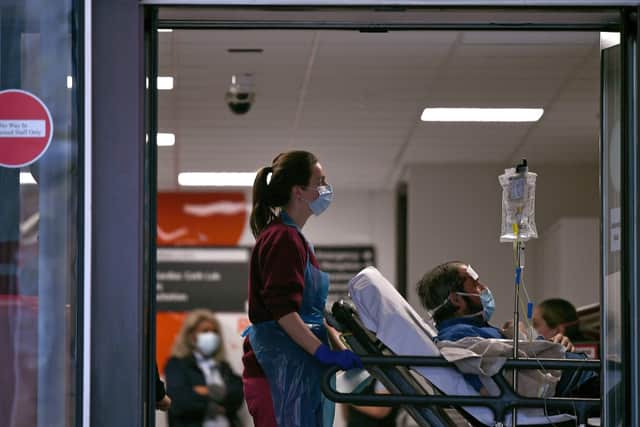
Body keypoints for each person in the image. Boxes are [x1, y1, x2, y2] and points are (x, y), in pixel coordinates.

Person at [242, 150, 362, 427]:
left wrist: (339, 347)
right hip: (279, 370)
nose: (326, 189)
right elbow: (284, 311)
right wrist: (323, 352)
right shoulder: (283, 239)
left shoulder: (293, 238)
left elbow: (309, 312)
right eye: (320, 181)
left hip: (293, 367)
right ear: (299, 191)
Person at [415, 260, 598, 398]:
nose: (484, 288)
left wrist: (551, 347)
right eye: (476, 285)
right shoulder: (456, 337)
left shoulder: (473, 329)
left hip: (576, 374)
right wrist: (524, 341)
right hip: (572, 384)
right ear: (456, 300)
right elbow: (488, 386)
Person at [165, 309, 243, 427]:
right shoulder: (177, 365)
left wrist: (205, 391)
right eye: (205, 331)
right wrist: (217, 400)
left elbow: (237, 394)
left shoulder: (223, 366)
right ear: (191, 335)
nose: (211, 335)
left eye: (215, 331)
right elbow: (179, 401)